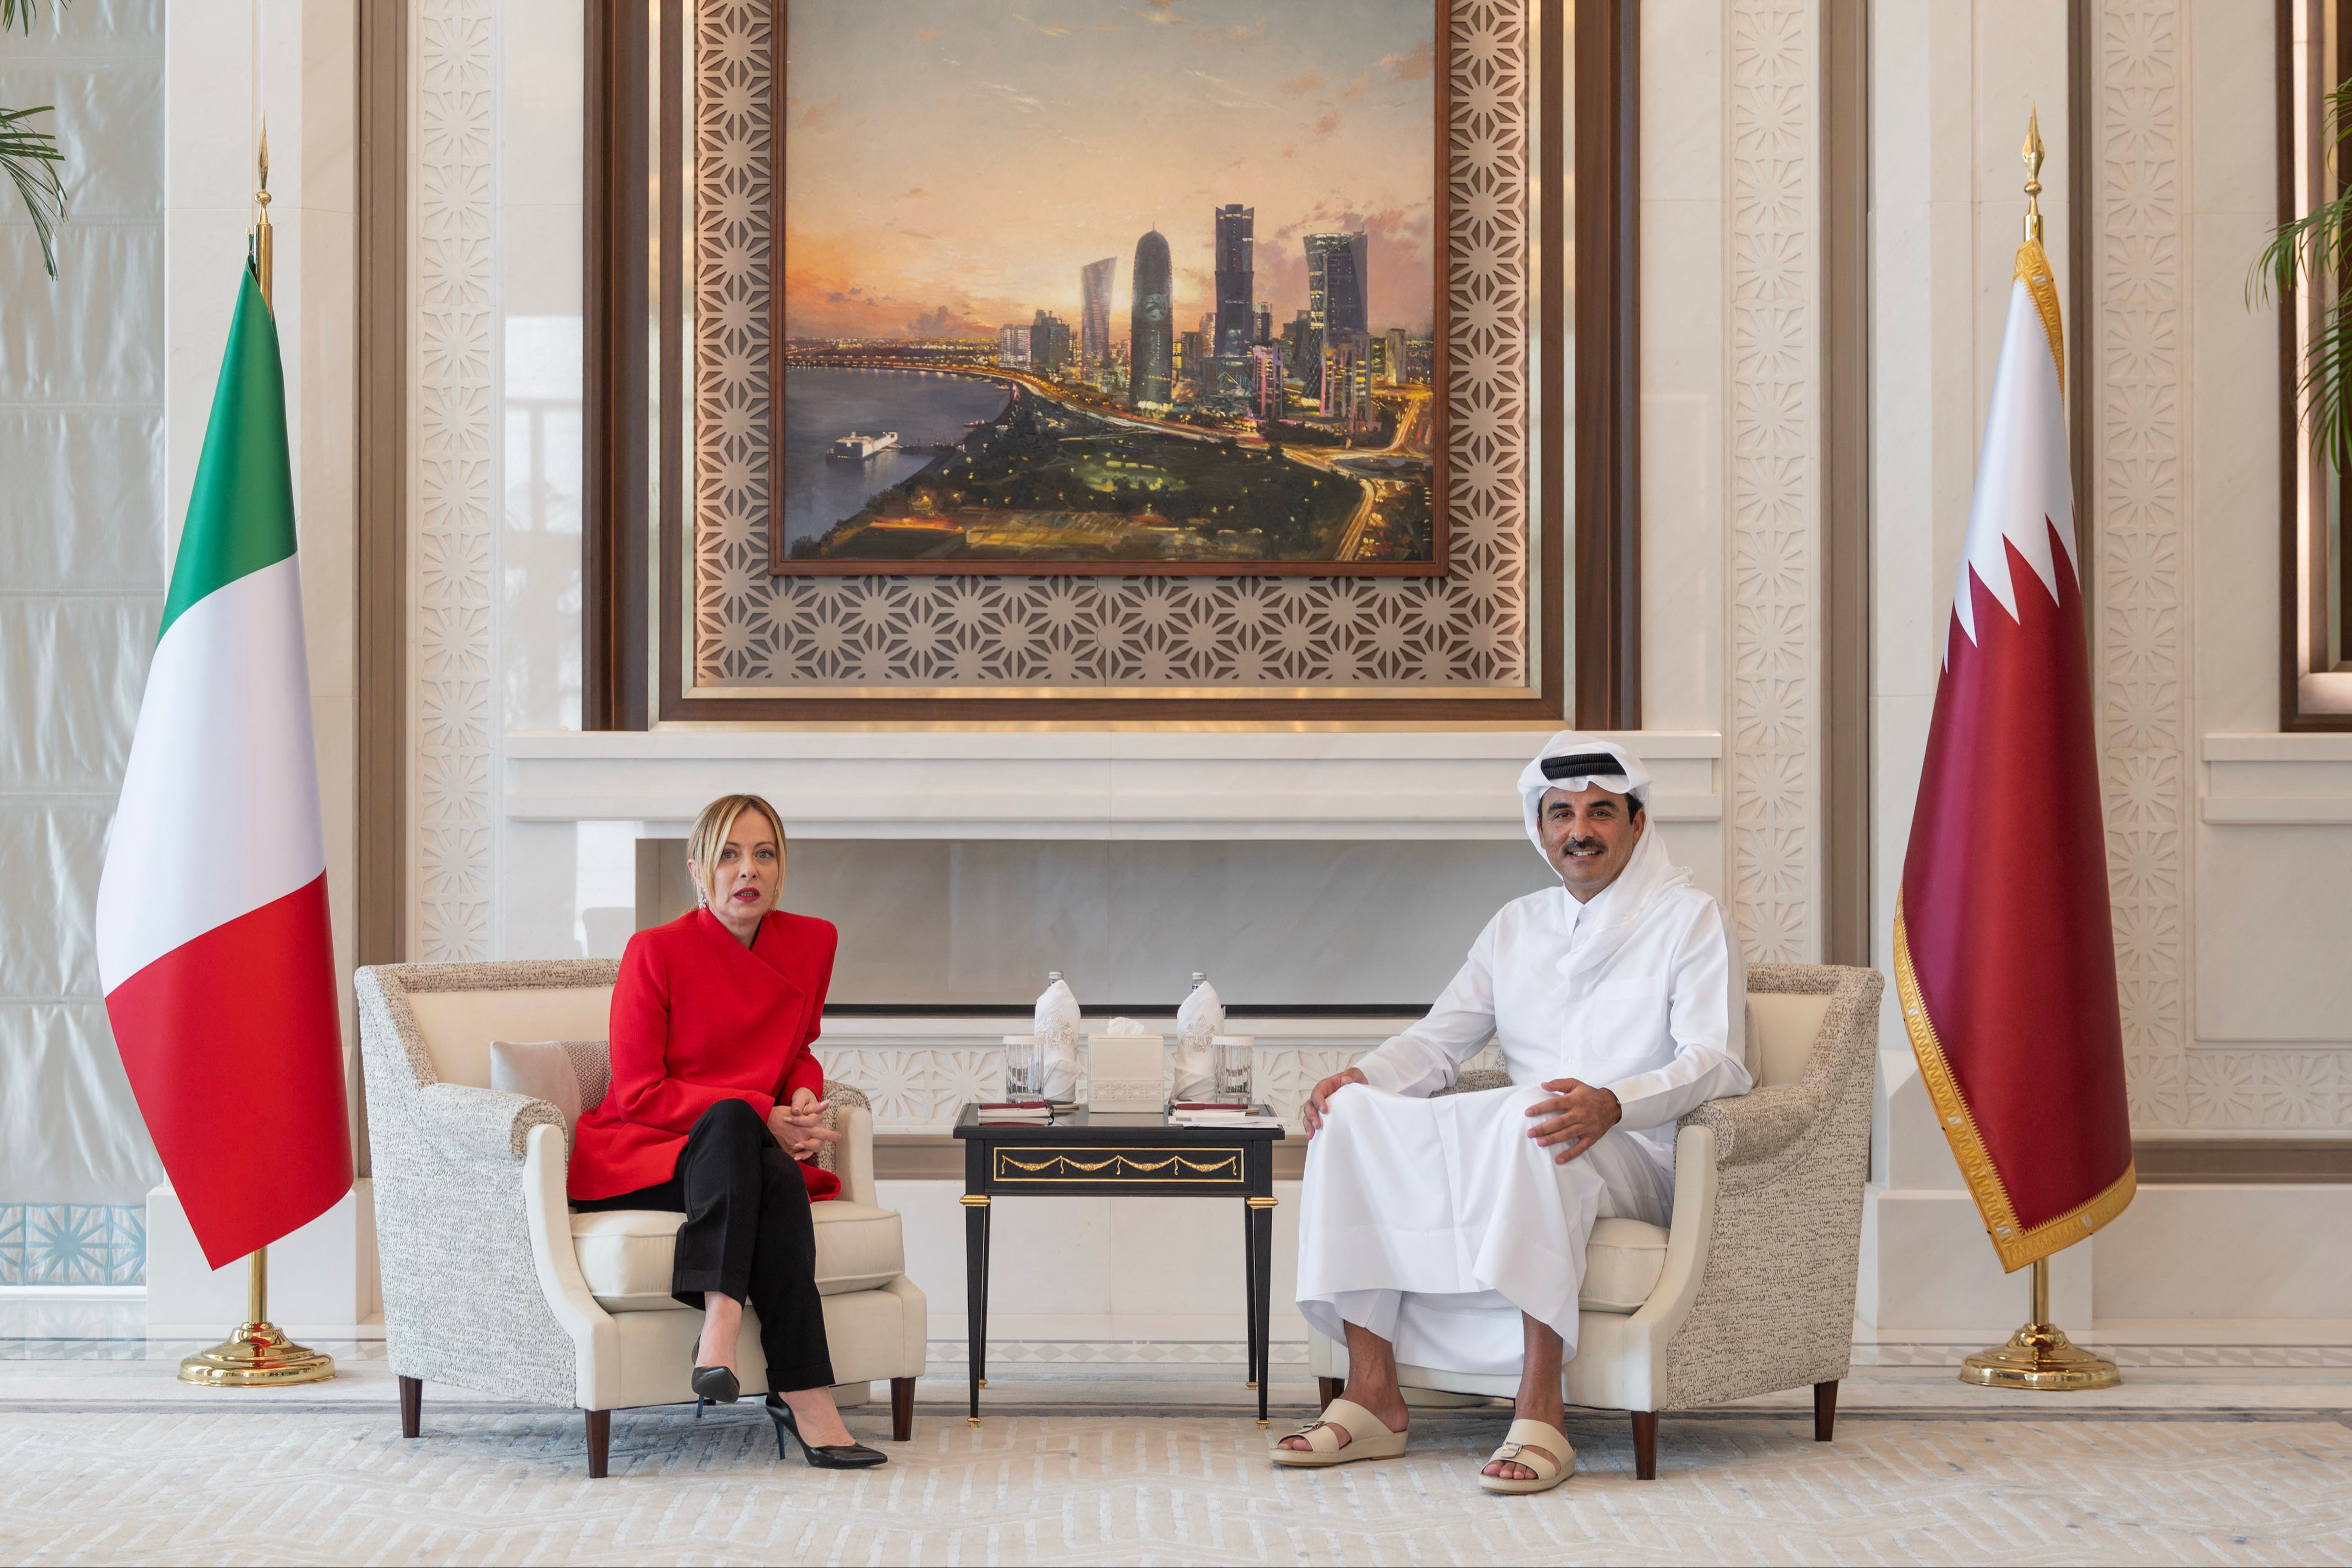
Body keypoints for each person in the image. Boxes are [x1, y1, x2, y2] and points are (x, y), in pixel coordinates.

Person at [1273, 734, 1750, 1495]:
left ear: (1636, 822)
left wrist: (1614, 1102)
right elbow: (1441, 1039)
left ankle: (1541, 1411)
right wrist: (1365, 1074)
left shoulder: (1690, 918)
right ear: (1540, 828)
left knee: (1539, 1115)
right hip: (1532, 1135)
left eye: (1601, 812)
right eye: (1561, 814)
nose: (1579, 831)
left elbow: (1718, 1059)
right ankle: (1371, 1395)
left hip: (1637, 1151)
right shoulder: (1515, 924)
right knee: (1352, 1114)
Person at [568, 793, 886, 1469]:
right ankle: (774, 1365)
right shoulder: (655, 951)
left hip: (743, 1153)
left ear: (781, 868)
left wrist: (802, 1095)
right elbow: (639, 1093)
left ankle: (751, 1354)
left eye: (764, 854)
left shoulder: (813, 942)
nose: (749, 870)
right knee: (742, 1127)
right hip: (651, 1150)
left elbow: (800, 1047)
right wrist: (759, 1112)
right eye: (730, 856)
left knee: (764, 1161)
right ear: (698, 870)